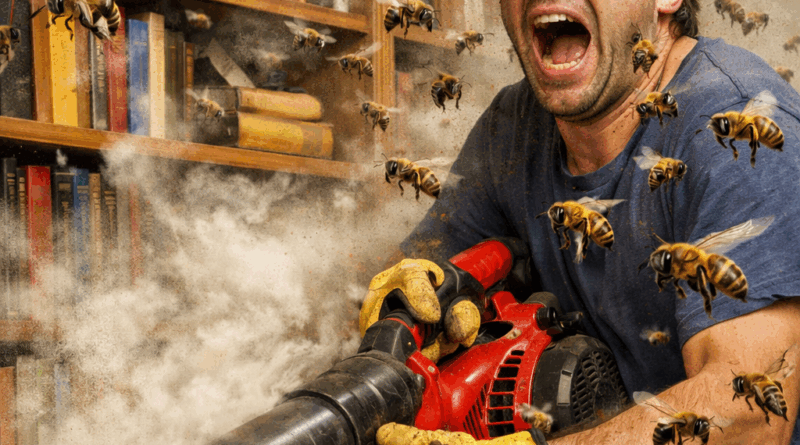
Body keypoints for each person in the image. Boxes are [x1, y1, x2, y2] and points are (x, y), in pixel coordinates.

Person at [360, 0, 800, 444]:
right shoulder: (513, 128)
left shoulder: (738, 135)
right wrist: (388, 308)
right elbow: (408, 286)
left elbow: (748, 422)